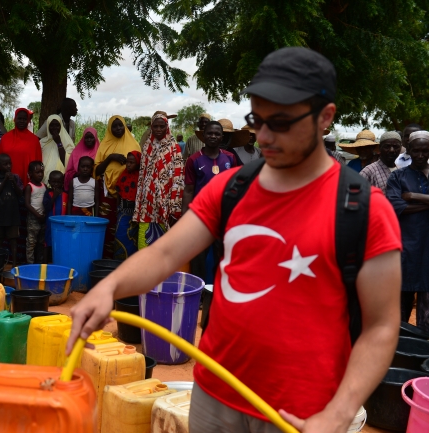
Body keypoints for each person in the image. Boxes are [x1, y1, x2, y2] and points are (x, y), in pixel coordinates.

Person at [67, 47, 401, 433]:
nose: (264, 135)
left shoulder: (363, 210)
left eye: (280, 121)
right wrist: (108, 287)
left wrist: (339, 413)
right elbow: (164, 253)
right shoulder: (233, 189)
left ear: (325, 117)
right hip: (213, 396)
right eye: (257, 119)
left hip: (301, 415)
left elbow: (381, 327)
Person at [182, 121, 238, 283]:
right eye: (210, 133)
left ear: (222, 137)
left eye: (217, 134)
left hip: (223, 216)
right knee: (198, 258)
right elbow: (188, 190)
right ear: (203, 136)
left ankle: (218, 294)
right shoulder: (194, 160)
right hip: (201, 217)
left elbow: (234, 187)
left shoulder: (230, 158)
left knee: (222, 256)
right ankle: (198, 295)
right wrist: (185, 218)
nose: (213, 136)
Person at [386, 130, 429, 332]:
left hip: (427, 249)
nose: (420, 155)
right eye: (416, 150)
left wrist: (413, 196)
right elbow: (394, 207)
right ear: (409, 150)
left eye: (425, 151)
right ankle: (402, 352)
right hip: (406, 247)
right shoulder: (397, 176)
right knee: (401, 309)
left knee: (426, 312)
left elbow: (404, 204)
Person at [134, 112, 184, 249]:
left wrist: (175, 207)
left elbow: (178, 178)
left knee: (164, 248)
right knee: (144, 243)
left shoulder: (174, 148)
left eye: (161, 126)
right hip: (148, 204)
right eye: (155, 126)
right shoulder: (147, 147)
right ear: (151, 127)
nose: (158, 129)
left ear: (167, 127)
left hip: (166, 202)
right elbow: (142, 178)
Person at [94, 116, 141, 258]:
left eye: (120, 125)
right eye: (114, 126)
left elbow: (140, 168)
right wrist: (110, 158)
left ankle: (124, 262)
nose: (118, 128)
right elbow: (97, 171)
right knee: (108, 229)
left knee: (125, 231)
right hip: (107, 194)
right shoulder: (105, 144)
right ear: (109, 128)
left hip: (128, 198)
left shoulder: (134, 144)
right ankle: (106, 262)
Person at [0, 153, 24, 266]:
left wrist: (12, 181)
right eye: (5, 164)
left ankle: (14, 264)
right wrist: (5, 180)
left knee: (13, 240)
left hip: (13, 215)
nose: (9, 166)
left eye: (10, 163)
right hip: (0, 215)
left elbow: (20, 193)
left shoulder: (16, 177)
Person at [0, 108, 43, 182]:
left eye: (24, 119)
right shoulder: (5, 138)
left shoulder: (34, 140)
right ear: (15, 119)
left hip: (28, 181)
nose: (22, 121)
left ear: (28, 121)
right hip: (7, 180)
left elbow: (38, 161)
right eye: (19, 118)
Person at [114, 151, 141, 259]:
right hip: (123, 211)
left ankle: (129, 264)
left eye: (132, 162)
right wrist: (118, 208)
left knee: (132, 239)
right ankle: (118, 262)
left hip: (134, 213)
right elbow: (119, 192)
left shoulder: (141, 177)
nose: (128, 165)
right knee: (120, 236)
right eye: (127, 162)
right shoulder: (124, 174)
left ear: (138, 163)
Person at [40, 114, 75, 184]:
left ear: (61, 126)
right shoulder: (42, 142)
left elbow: (68, 162)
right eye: (51, 125)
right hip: (43, 180)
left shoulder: (68, 143)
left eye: (57, 125)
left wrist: (59, 143)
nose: (54, 128)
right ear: (48, 126)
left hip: (59, 181)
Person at [44, 170, 69, 262]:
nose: (56, 184)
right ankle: (45, 263)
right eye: (53, 182)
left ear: (62, 182)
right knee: (48, 242)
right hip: (49, 224)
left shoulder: (66, 194)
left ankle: (60, 261)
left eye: (58, 182)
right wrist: (54, 196)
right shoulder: (48, 193)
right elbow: (46, 207)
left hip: (62, 224)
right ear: (49, 182)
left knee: (61, 243)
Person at [24, 161, 46, 264]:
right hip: (33, 218)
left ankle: (39, 263)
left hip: (42, 218)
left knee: (40, 242)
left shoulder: (43, 185)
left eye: (42, 172)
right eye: (37, 172)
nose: (40, 174)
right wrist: (37, 215)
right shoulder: (29, 186)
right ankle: (30, 264)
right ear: (30, 173)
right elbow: (27, 204)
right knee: (31, 243)